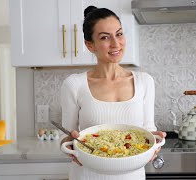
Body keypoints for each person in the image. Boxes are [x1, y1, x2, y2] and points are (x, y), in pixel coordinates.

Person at [60, 6, 166, 180]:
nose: (116, 44)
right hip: (87, 175)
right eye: (104, 37)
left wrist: (155, 143)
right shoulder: (74, 84)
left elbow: (148, 130)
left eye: (119, 34)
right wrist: (68, 145)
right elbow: (67, 137)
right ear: (89, 45)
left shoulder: (144, 81)